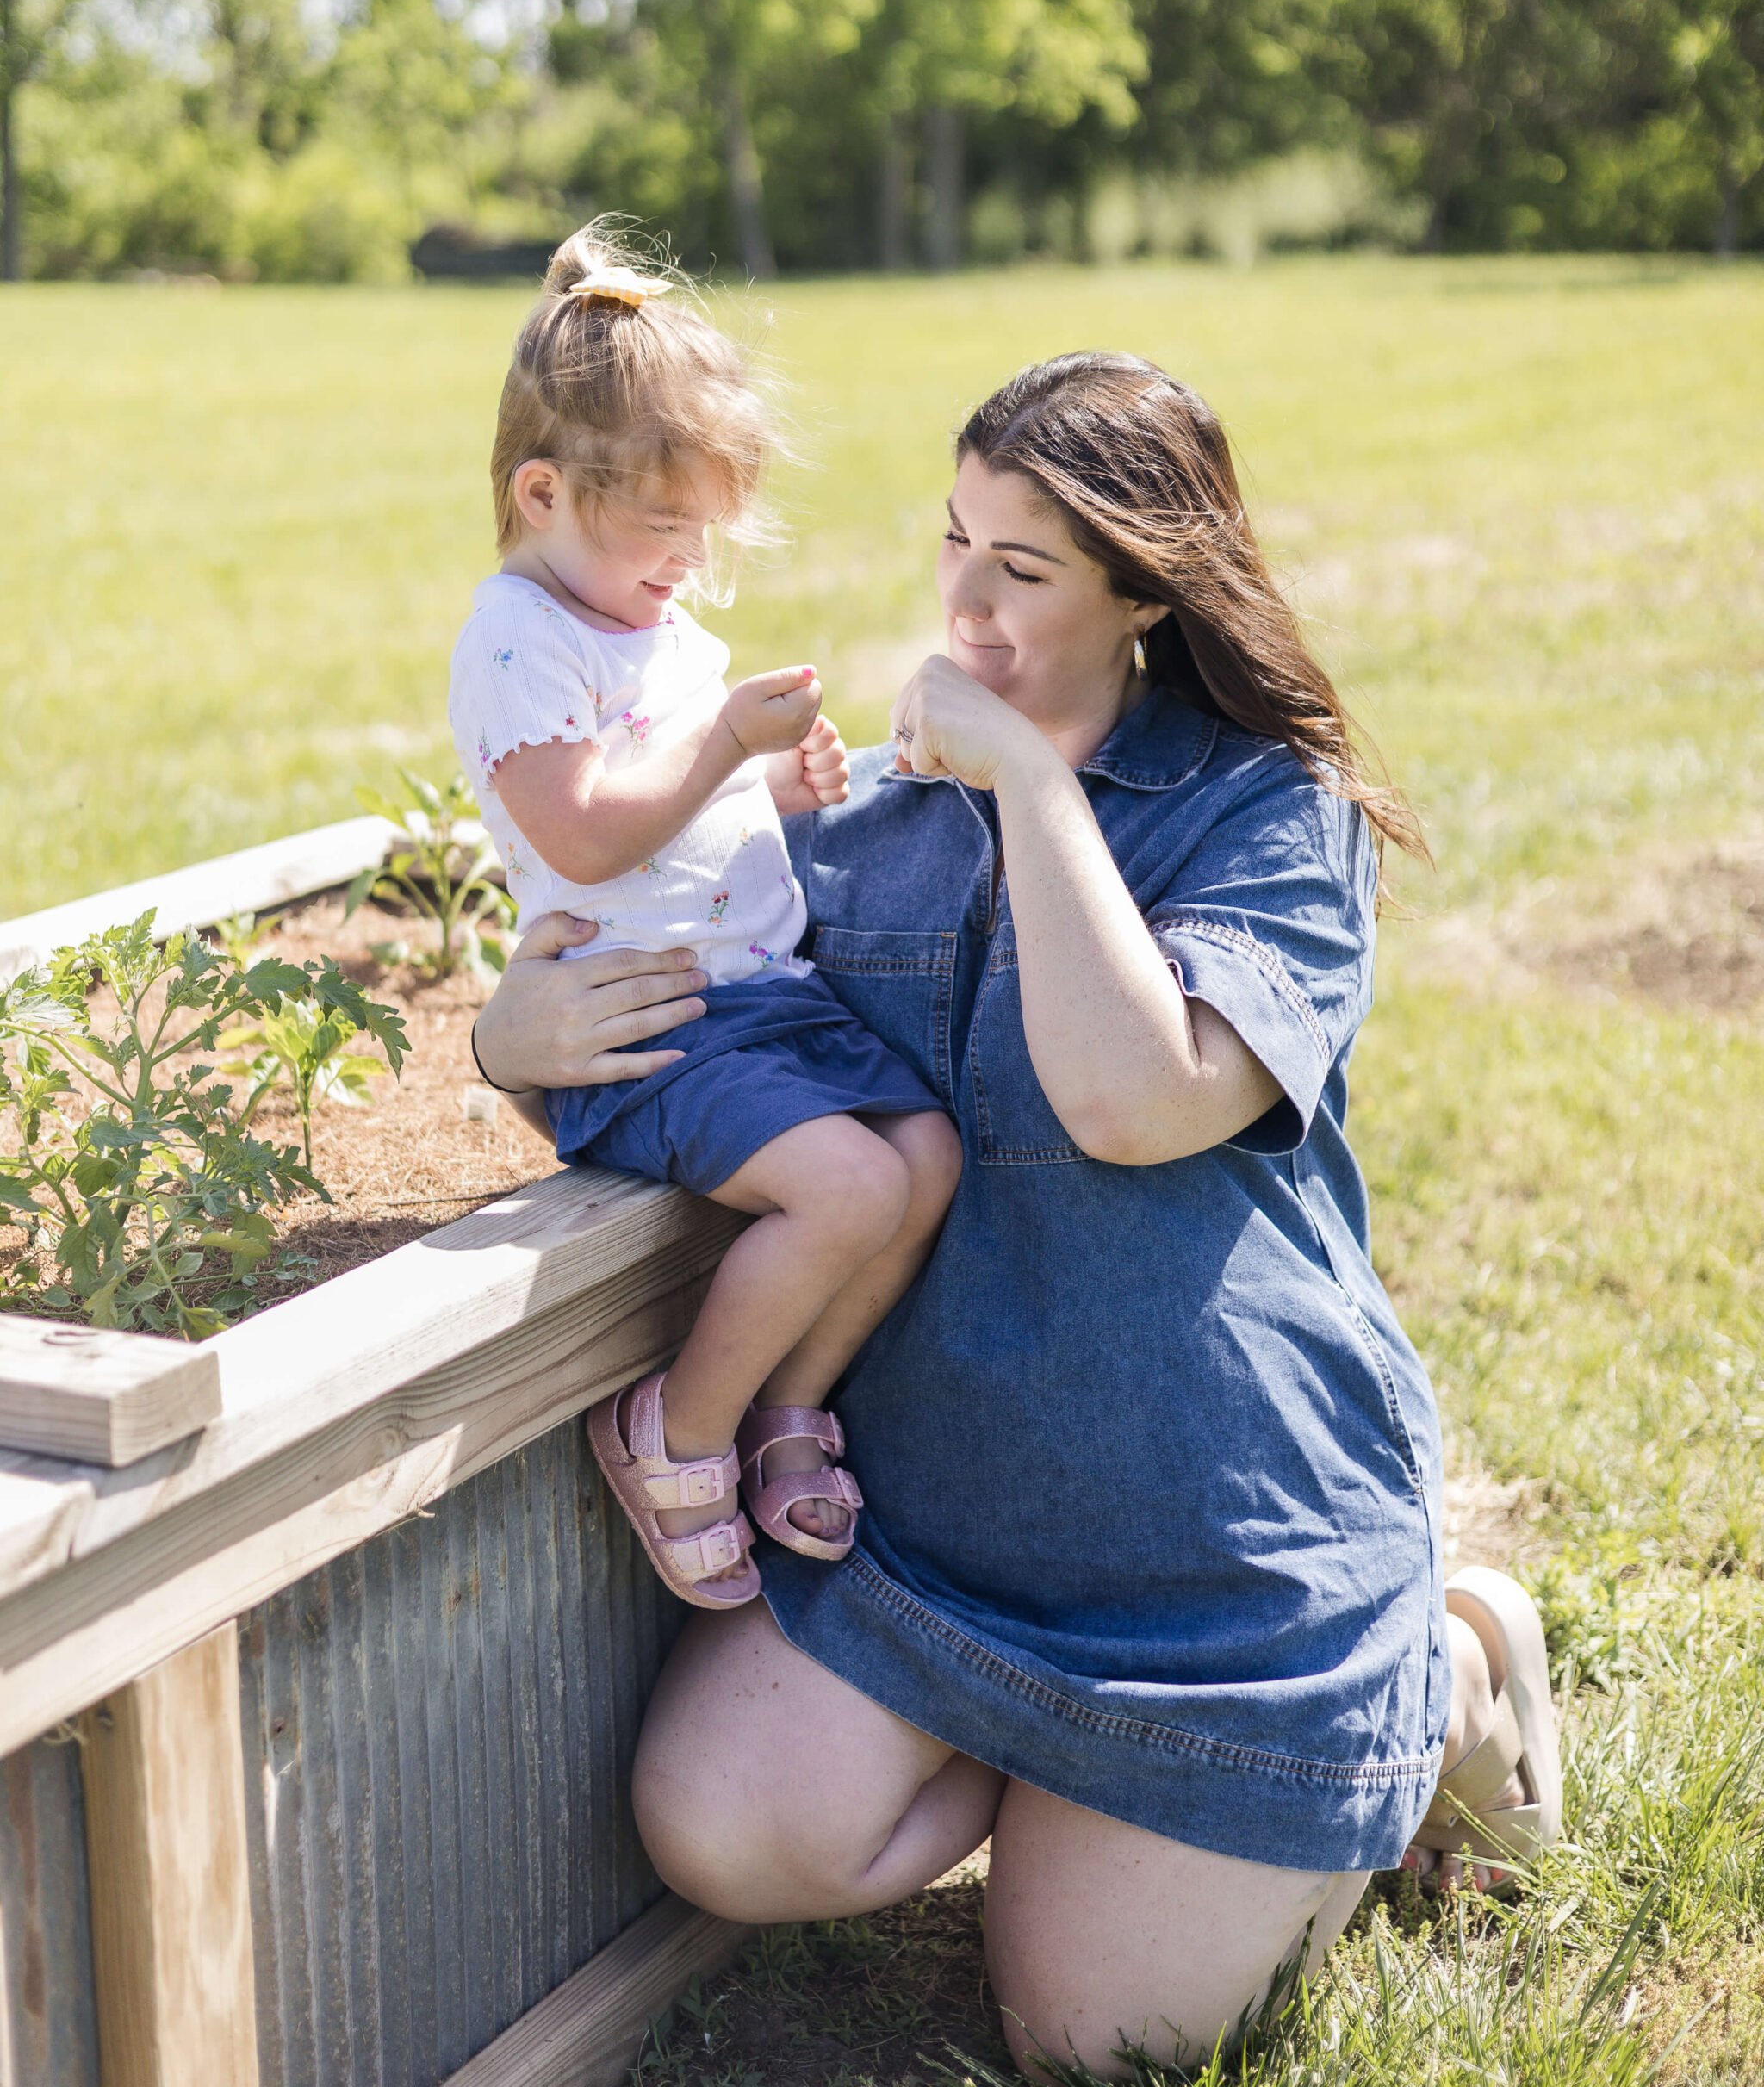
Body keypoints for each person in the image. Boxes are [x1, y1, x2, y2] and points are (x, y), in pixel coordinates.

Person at [471, 351, 1563, 2078]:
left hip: (1218, 1551)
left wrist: (1029, 785)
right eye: (953, 541)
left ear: (1145, 590)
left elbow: (1132, 1098)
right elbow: (688, 1013)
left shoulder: (1267, 814)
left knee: (1092, 2034)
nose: (963, 602)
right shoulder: (861, 839)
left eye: (1025, 566)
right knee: (727, 1825)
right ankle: (1057, 1771)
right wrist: (506, 1031)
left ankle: (1441, 1675)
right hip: (952, 1524)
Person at [450, 222, 961, 1612]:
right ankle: (673, 1427)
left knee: (924, 1154)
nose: (687, 559)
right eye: (660, 527)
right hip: (651, 1021)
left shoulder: (653, 625)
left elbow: (694, 832)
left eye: (704, 528)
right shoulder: (517, 639)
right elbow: (587, 828)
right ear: (542, 492)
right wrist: (730, 739)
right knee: (853, 1185)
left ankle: (789, 1405)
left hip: (755, 1001)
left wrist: (785, 794)